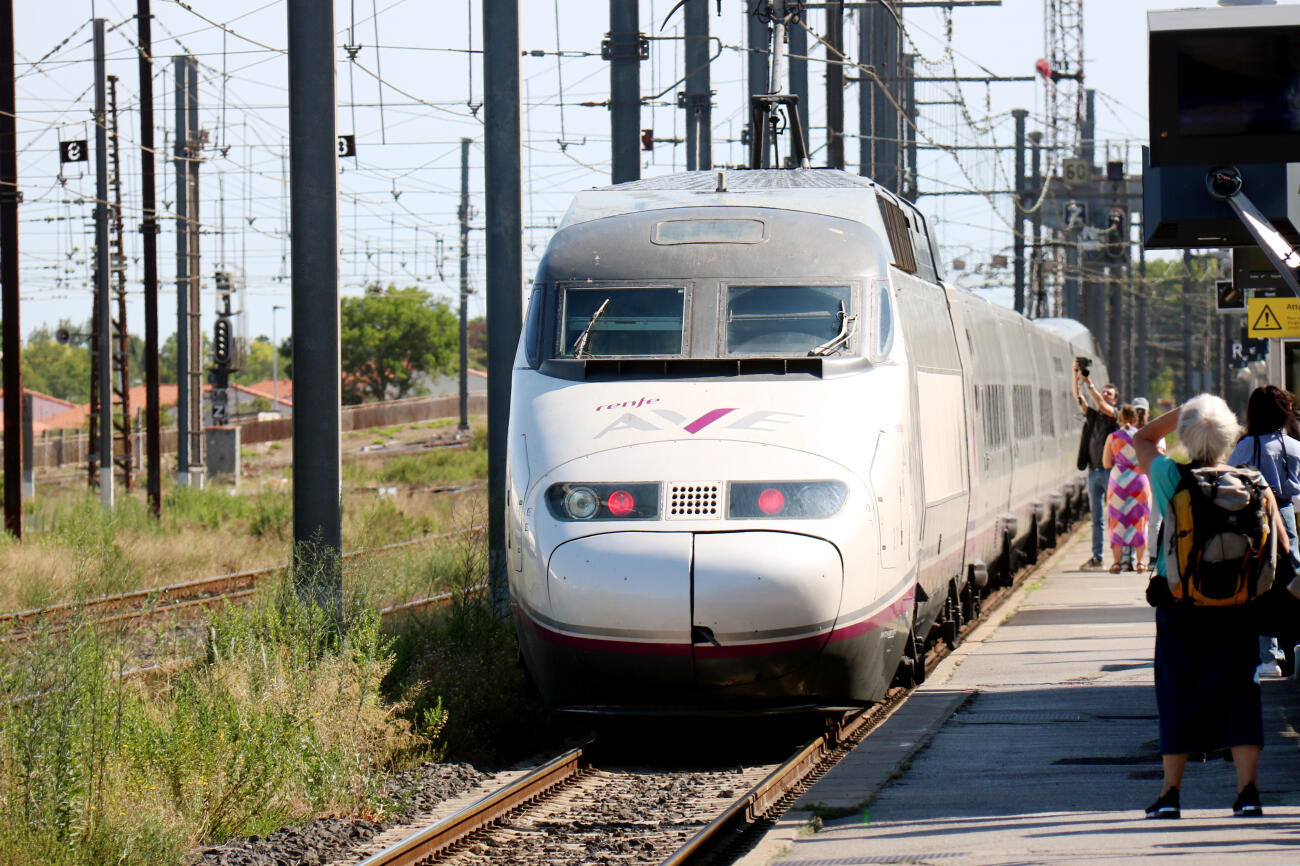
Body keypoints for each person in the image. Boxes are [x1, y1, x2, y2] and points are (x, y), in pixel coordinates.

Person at [1134, 394, 1289, 820]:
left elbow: (1143, 437)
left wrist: (1184, 409)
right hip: (1239, 606)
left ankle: (1170, 795)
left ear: (1184, 434)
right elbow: (1282, 544)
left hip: (1180, 607)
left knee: (1178, 694)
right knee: (1241, 692)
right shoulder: (1253, 482)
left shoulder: (1171, 476)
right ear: (1231, 435)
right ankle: (1248, 792)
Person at [1228, 385, 1300, 680]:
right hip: (1287, 513)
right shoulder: (1294, 446)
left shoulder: (1246, 446)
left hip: (1253, 517)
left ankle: (1268, 654)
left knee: (1260, 579)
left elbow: (1230, 477)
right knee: (1292, 574)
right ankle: (1295, 645)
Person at [1072, 360, 1118, 569]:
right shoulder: (1093, 416)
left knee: (1117, 516)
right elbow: (1078, 398)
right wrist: (1076, 375)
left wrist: (1088, 382)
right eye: (1104, 392)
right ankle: (1097, 557)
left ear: (1115, 401)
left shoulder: (1114, 417)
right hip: (1093, 472)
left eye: (1109, 394)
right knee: (1097, 519)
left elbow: (1100, 404)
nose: (1105, 395)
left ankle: (1123, 556)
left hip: (1110, 473)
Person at [1102, 404, 1150, 573]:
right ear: (1136, 419)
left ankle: (1116, 563)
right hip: (1139, 480)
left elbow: (1106, 463)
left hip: (1118, 482)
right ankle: (1140, 562)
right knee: (1140, 521)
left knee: (1116, 520)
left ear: (1119, 419)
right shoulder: (1142, 437)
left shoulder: (1113, 437)